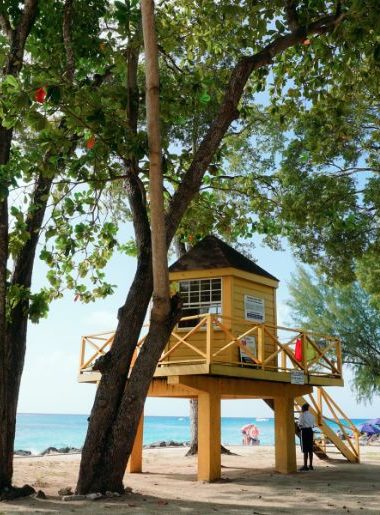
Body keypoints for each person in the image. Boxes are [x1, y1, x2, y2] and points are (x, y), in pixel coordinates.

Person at [297, 403, 315, 471]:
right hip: (310, 431)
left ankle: (305, 466)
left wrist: (298, 426)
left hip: (304, 431)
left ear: (303, 408)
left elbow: (300, 425)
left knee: (305, 449)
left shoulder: (302, 415)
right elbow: (313, 425)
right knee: (310, 449)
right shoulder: (312, 416)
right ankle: (310, 465)